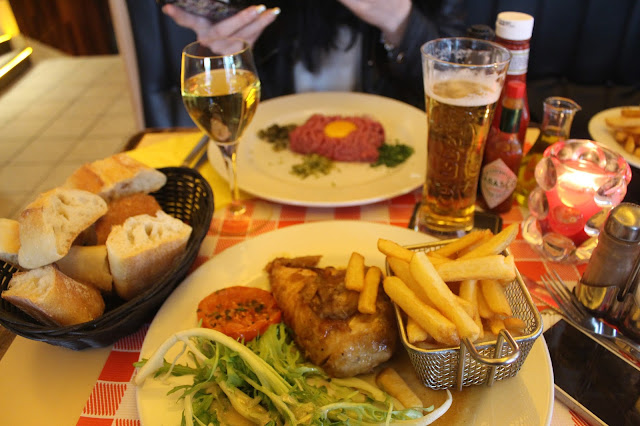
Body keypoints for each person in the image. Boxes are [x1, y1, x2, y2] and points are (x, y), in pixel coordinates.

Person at [163, 0, 465, 109]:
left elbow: (459, 86)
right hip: (276, 161)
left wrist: (401, 22)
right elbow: (222, 117)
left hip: (398, 160)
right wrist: (225, 57)